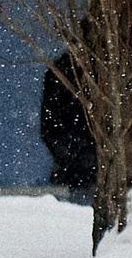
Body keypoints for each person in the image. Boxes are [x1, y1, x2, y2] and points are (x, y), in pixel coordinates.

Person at [40, 55, 96, 208]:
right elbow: (49, 127)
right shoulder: (62, 70)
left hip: (76, 164)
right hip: (78, 168)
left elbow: (49, 127)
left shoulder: (61, 69)